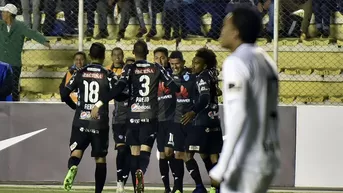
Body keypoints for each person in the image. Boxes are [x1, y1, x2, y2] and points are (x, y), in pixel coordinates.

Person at [91, 40, 179, 193]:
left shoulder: (129, 68)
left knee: (134, 152)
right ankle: (141, 173)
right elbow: (174, 86)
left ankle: (135, 181)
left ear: (133, 52)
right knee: (145, 150)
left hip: (132, 116)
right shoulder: (156, 67)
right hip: (150, 115)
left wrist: (99, 103)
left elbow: (118, 88)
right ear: (147, 52)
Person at [209, 6, 280, 193]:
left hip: (246, 160)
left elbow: (239, 114)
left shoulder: (236, 62)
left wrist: (222, 166)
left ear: (235, 32)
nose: (221, 31)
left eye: (225, 26)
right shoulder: (266, 61)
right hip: (268, 155)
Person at [60, 42, 127, 193]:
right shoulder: (107, 74)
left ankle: (73, 167)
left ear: (89, 56)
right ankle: (98, 191)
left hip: (81, 120)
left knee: (76, 152)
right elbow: (119, 93)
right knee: (100, 159)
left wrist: (75, 107)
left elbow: (64, 94)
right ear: (104, 57)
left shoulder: (80, 72)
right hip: (99, 122)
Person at [181, 48, 223, 193]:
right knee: (211, 155)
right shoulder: (212, 73)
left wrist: (193, 112)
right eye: (193, 62)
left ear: (204, 65)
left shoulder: (202, 77)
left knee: (186, 154)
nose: (193, 65)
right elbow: (217, 91)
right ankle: (216, 188)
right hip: (214, 122)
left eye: (197, 63)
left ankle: (199, 187)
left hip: (201, 122)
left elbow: (204, 97)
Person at [0, 3, 50, 101]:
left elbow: (32, 33)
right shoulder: (1, 25)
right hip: (1, 63)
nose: (2, 14)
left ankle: (14, 105)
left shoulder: (20, 26)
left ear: (9, 14)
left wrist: (44, 41)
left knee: (13, 87)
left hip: (14, 63)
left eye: (4, 12)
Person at [169, 50, 196, 193]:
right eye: (172, 64)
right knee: (176, 154)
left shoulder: (191, 77)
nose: (175, 67)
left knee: (197, 155)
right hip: (175, 122)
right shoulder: (167, 77)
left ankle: (204, 186)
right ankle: (178, 187)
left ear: (183, 63)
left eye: (177, 64)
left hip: (190, 122)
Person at [106, 47, 131, 193]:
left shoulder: (128, 72)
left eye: (119, 55)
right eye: (114, 55)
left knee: (130, 152)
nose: (117, 57)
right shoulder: (109, 73)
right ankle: (119, 182)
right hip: (119, 119)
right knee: (121, 150)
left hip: (134, 118)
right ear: (111, 56)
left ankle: (124, 182)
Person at [153, 47, 177, 193]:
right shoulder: (152, 75)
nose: (159, 60)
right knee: (162, 154)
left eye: (162, 57)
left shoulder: (172, 74)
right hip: (158, 120)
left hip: (172, 120)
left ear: (167, 59)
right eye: (156, 58)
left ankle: (176, 185)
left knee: (170, 152)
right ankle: (167, 188)